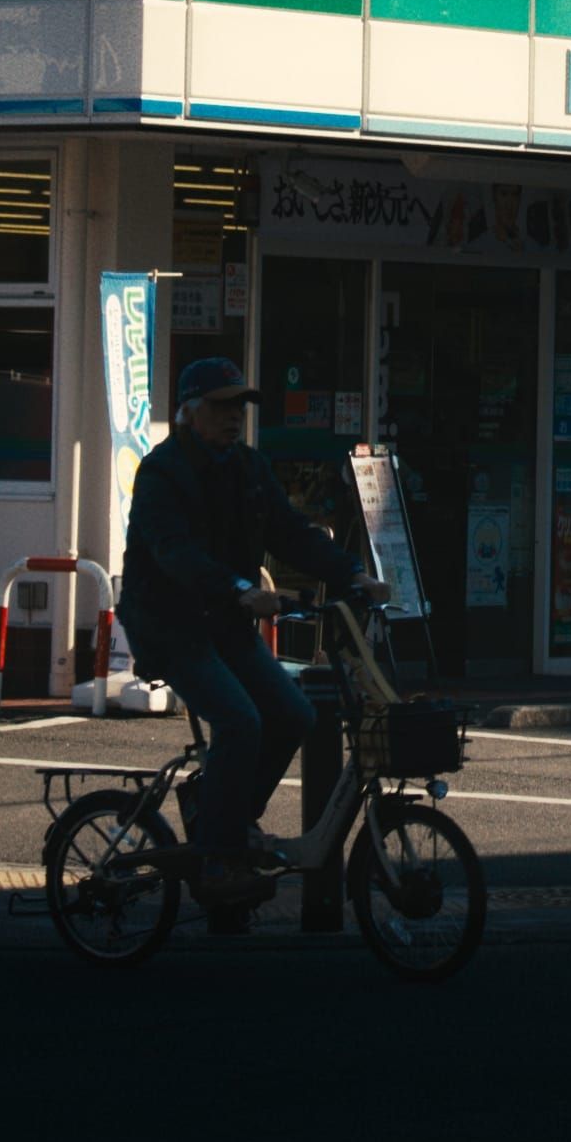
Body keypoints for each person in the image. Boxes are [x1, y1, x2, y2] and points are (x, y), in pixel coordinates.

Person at [119, 357, 364, 895]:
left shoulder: (248, 469)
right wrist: (237, 589)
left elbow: (292, 533)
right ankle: (218, 855)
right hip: (170, 626)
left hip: (224, 624)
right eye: (221, 406)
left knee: (295, 714)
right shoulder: (162, 473)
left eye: (239, 407)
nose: (233, 418)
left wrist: (354, 574)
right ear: (188, 412)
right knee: (240, 722)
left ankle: (224, 819)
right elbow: (173, 553)